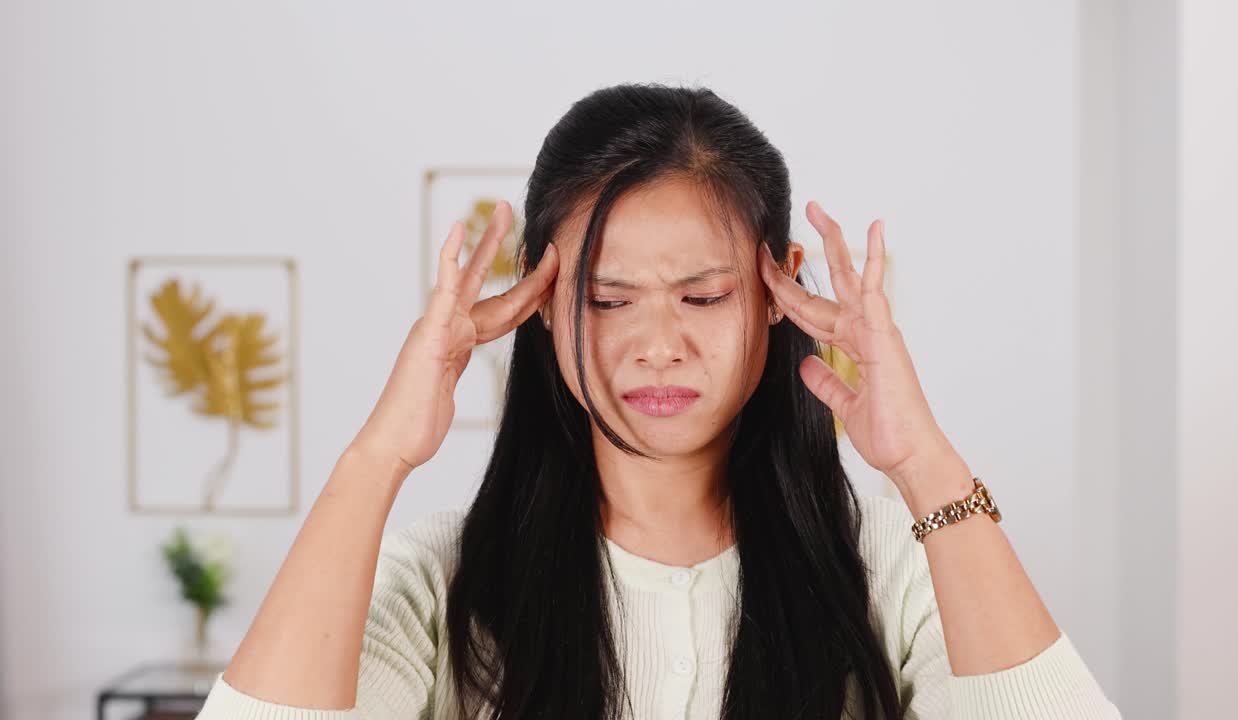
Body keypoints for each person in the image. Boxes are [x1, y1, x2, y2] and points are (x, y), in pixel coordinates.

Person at [195, 83, 1121, 719]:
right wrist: (378, 458)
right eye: (606, 299)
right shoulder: (440, 583)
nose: (659, 344)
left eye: (704, 296)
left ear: (777, 288)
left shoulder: (893, 570)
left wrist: (924, 464)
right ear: (539, 300)